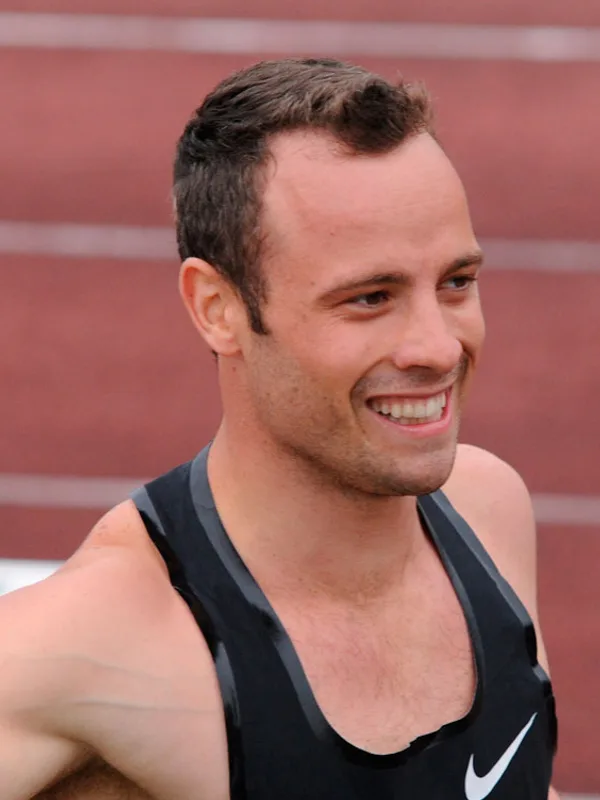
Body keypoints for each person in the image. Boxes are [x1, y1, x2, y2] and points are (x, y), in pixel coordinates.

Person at [1, 58, 558, 799]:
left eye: (456, 282)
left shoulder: (486, 510)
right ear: (217, 308)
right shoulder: (88, 647)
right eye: (370, 297)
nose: (438, 348)